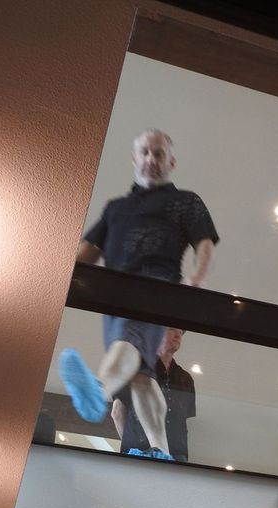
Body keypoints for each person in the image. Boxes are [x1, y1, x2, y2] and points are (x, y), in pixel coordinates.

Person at [59, 128, 218, 460]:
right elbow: (87, 252)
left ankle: (98, 390)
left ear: (171, 161)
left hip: (154, 289)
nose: (151, 159)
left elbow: (204, 241)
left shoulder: (185, 201)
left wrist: (196, 278)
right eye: (144, 152)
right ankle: (160, 448)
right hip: (114, 298)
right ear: (134, 158)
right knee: (141, 378)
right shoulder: (116, 208)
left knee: (128, 344)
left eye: (158, 153)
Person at [111, 327, 195, 462]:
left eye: (181, 332)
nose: (178, 334)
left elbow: (182, 422)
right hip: (142, 452)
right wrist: (131, 447)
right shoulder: (136, 367)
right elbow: (117, 412)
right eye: (173, 329)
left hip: (175, 456)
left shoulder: (185, 379)